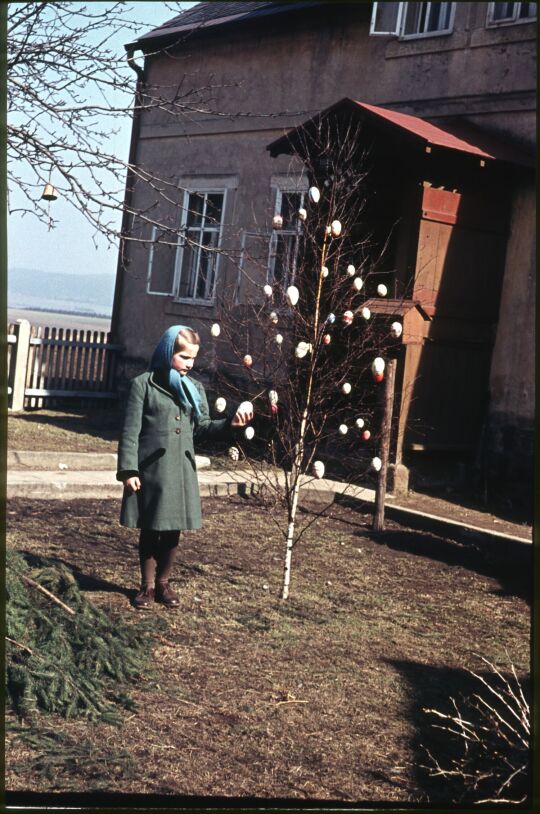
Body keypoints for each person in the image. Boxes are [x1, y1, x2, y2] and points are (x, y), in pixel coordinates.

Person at [116, 325, 253, 609]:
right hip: (152, 471)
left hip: (180, 470)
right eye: (184, 357)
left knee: (172, 528)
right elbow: (130, 432)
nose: (190, 364)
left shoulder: (195, 389)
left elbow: (202, 428)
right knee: (150, 527)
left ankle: (163, 583)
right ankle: (147, 586)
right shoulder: (143, 385)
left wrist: (230, 424)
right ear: (167, 352)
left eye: (193, 358)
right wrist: (129, 471)